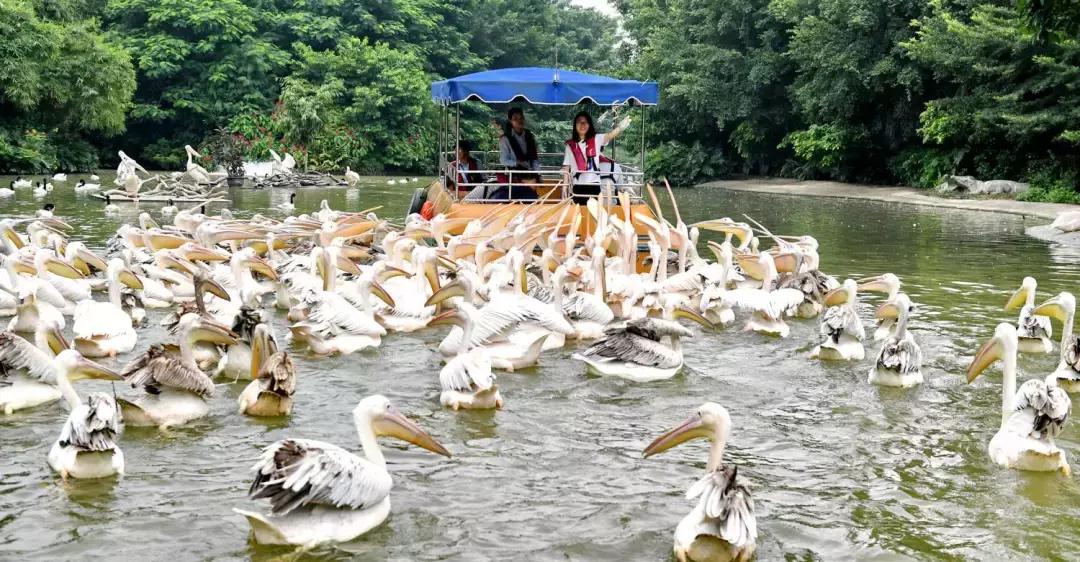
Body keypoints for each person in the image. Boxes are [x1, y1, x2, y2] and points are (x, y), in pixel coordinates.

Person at [562, 111, 631, 203]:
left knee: (594, 213)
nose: (582, 125)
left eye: (585, 122)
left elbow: (610, 135)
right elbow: (566, 167)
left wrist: (620, 128)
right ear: (575, 125)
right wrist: (564, 187)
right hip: (578, 184)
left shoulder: (596, 139)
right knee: (579, 212)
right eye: (579, 122)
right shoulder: (570, 145)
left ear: (589, 125)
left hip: (594, 185)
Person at [498, 107, 541, 186]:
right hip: (513, 176)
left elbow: (534, 158)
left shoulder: (529, 136)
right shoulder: (505, 139)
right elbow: (503, 160)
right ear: (510, 121)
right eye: (515, 119)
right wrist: (517, 162)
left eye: (521, 118)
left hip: (529, 174)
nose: (519, 121)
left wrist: (538, 173)